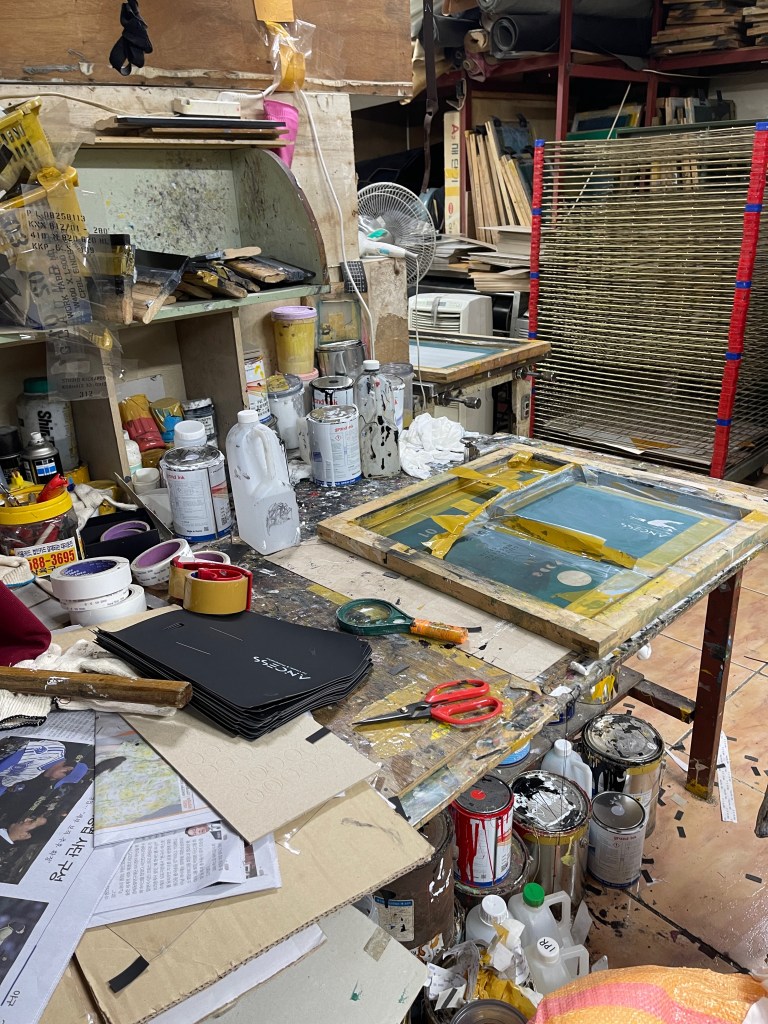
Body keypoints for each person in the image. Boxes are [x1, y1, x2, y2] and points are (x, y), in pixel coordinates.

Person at [0, 741, 87, 796]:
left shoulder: (32, 775)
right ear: (67, 769)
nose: (53, 779)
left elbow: (3, 784)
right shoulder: (58, 750)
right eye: (59, 778)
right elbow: (17, 756)